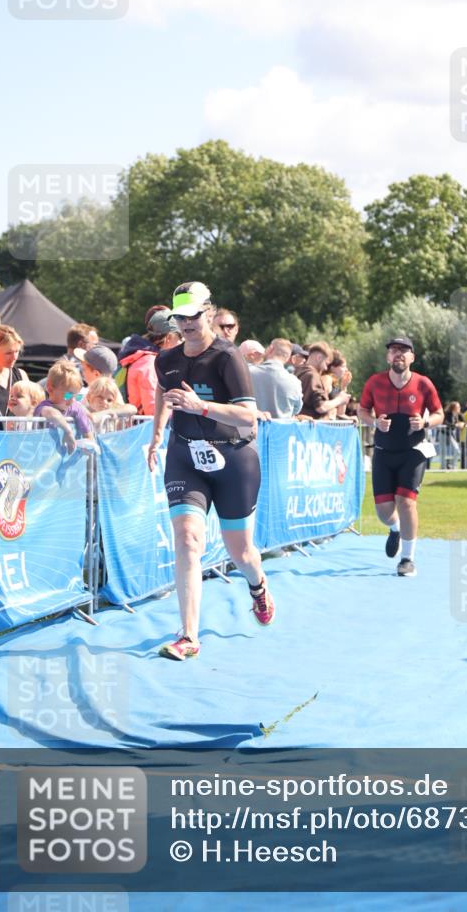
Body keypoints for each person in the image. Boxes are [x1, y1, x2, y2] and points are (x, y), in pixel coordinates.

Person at [148, 281, 275, 661]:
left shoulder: (227, 357)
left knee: (242, 552)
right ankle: (188, 635)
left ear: (209, 313)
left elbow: (247, 418)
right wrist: (157, 433)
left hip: (234, 458)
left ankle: (258, 586)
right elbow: (162, 390)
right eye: (179, 317)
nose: (186, 324)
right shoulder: (165, 360)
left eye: (193, 315)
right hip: (186, 456)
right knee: (187, 539)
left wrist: (200, 406)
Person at [358, 336, 443, 577]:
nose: (399, 354)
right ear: (388, 357)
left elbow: (439, 414)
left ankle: (407, 559)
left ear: (412, 357)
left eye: (404, 350)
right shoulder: (375, 382)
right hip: (383, 452)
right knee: (384, 511)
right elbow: (362, 410)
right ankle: (395, 529)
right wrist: (374, 421)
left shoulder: (423, 383)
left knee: (406, 502)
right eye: (394, 350)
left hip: (413, 452)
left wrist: (425, 421)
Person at [117, 307, 182, 415]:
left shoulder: (140, 357)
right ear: (169, 338)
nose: (182, 342)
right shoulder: (149, 364)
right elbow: (153, 410)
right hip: (145, 429)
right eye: (180, 337)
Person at [34, 360, 94, 452]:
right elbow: (52, 413)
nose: (72, 400)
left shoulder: (75, 407)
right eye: (68, 395)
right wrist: (68, 431)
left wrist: (89, 446)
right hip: (43, 458)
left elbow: (88, 433)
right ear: (50, 389)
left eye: (76, 396)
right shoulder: (44, 407)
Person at [249, 338, 302, 419]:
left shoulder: (249, 372)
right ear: (287, 358)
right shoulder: (295, 382)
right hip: (281, 430)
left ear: (270, 349)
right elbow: (296, 410)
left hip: (252, 428)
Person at [296, 341, 351, 419]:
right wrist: (340, 399)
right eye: (326, 363)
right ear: (318, 357)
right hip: (310, 426)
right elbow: (321, 407)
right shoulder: (312, 375)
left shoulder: (299, 371)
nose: (326, 368)